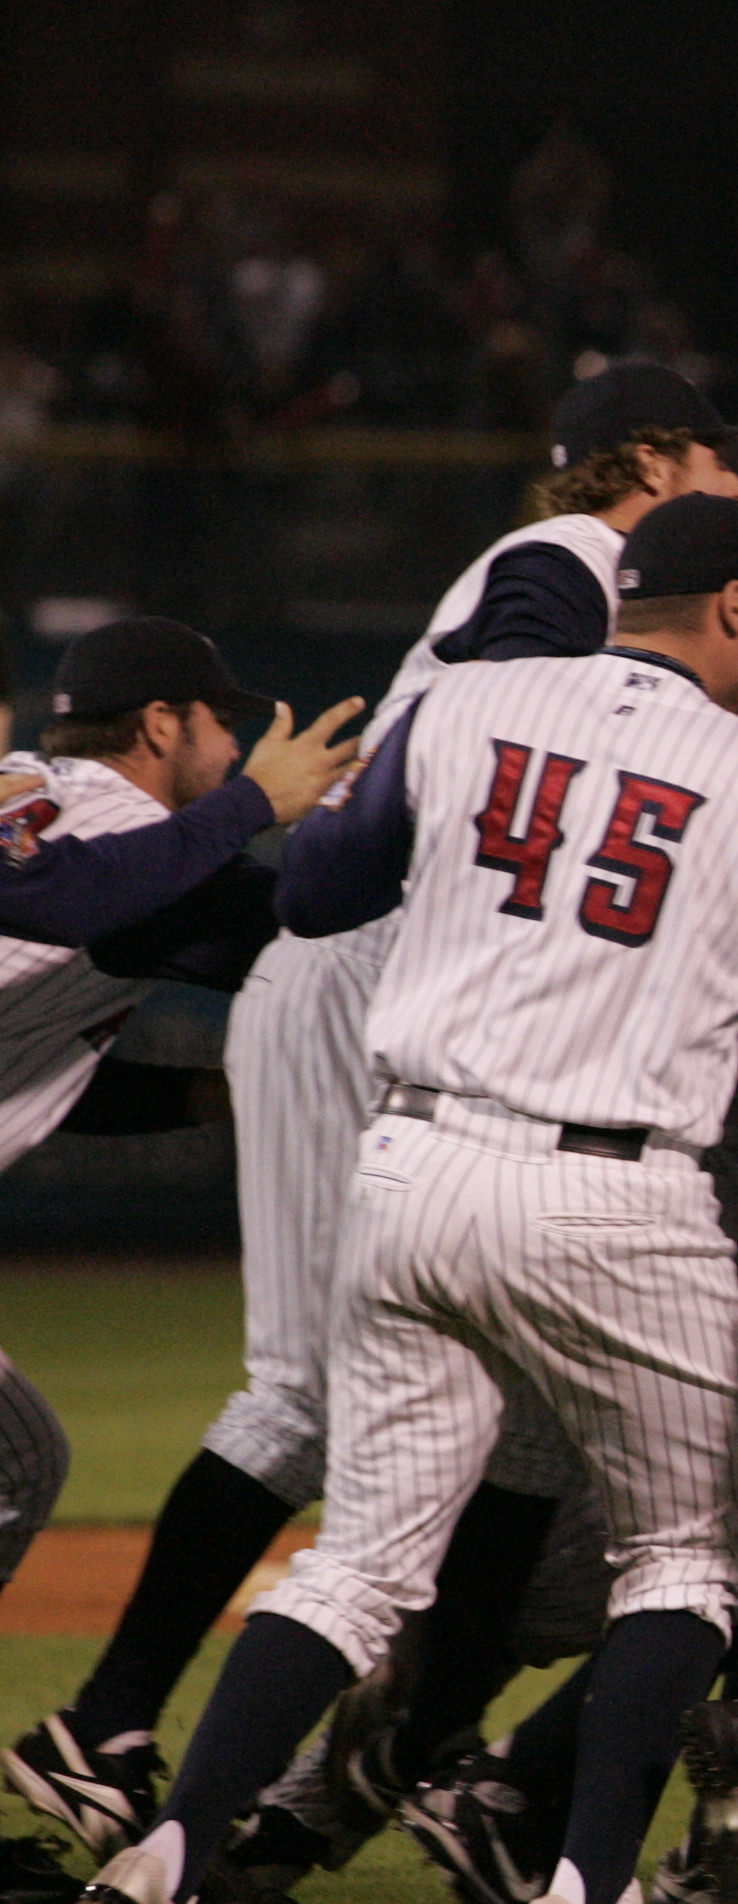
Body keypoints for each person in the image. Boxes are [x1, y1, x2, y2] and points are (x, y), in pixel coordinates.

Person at [57, 495, 738, 1904]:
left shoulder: (468, 702)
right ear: (728, 610)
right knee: (681, 1556)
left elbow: (316, 898)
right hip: (615, 1191)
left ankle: (171, 1850)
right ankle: (585, 1901)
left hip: (418, 1164)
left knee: (360, 1562)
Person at [5, 366, 738, 1866]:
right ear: (660, 458)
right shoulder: (566, 564)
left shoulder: (71, 814)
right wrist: (257, 812)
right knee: (315, 1402)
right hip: (378, 974)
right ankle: (175, 1731)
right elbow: (505, 741)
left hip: (354, 973)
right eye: (722, 459)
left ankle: (224, 1731)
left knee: (436, 1400)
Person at [0, 622, 357, 1748]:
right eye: (221, 720)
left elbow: (38, 1062)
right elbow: (86, 901)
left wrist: (209, 1097)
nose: (235, 739)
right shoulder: (123, 836)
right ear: (164, 724)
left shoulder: (35, 797)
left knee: (20, 1461)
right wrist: (254, 809)